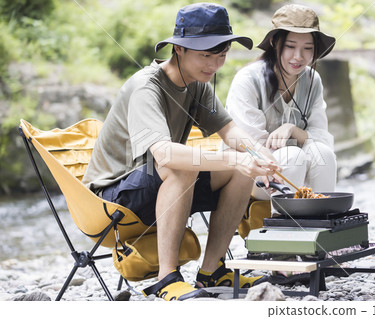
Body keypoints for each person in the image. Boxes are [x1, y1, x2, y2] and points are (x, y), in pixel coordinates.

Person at [82, 3, 279, 301]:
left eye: (221, 56)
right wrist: (233, 157)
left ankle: (212, 272)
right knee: (182, 164)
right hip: (111, 199)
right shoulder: (146, 88)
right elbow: (165, 155)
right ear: (179, 49)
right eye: (206, 55)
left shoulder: (197, 84)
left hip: (161, 185)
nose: (214, 65)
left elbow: (230, 131)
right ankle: (167, 279)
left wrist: (257, 152)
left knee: (240, 171)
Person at [226, 4, 337, 203]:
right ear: (275, 42)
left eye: (308, 49)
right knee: (293, 156)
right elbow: (250, 146)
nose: (299, 57)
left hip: (294, 171)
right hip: (251, 174)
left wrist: (292, 129)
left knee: (323, 154)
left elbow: (321, 138)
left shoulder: (312, 80)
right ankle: (285, 228)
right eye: (290, 46)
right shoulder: (248, 79)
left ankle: (323, 221)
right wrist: (289, 149)